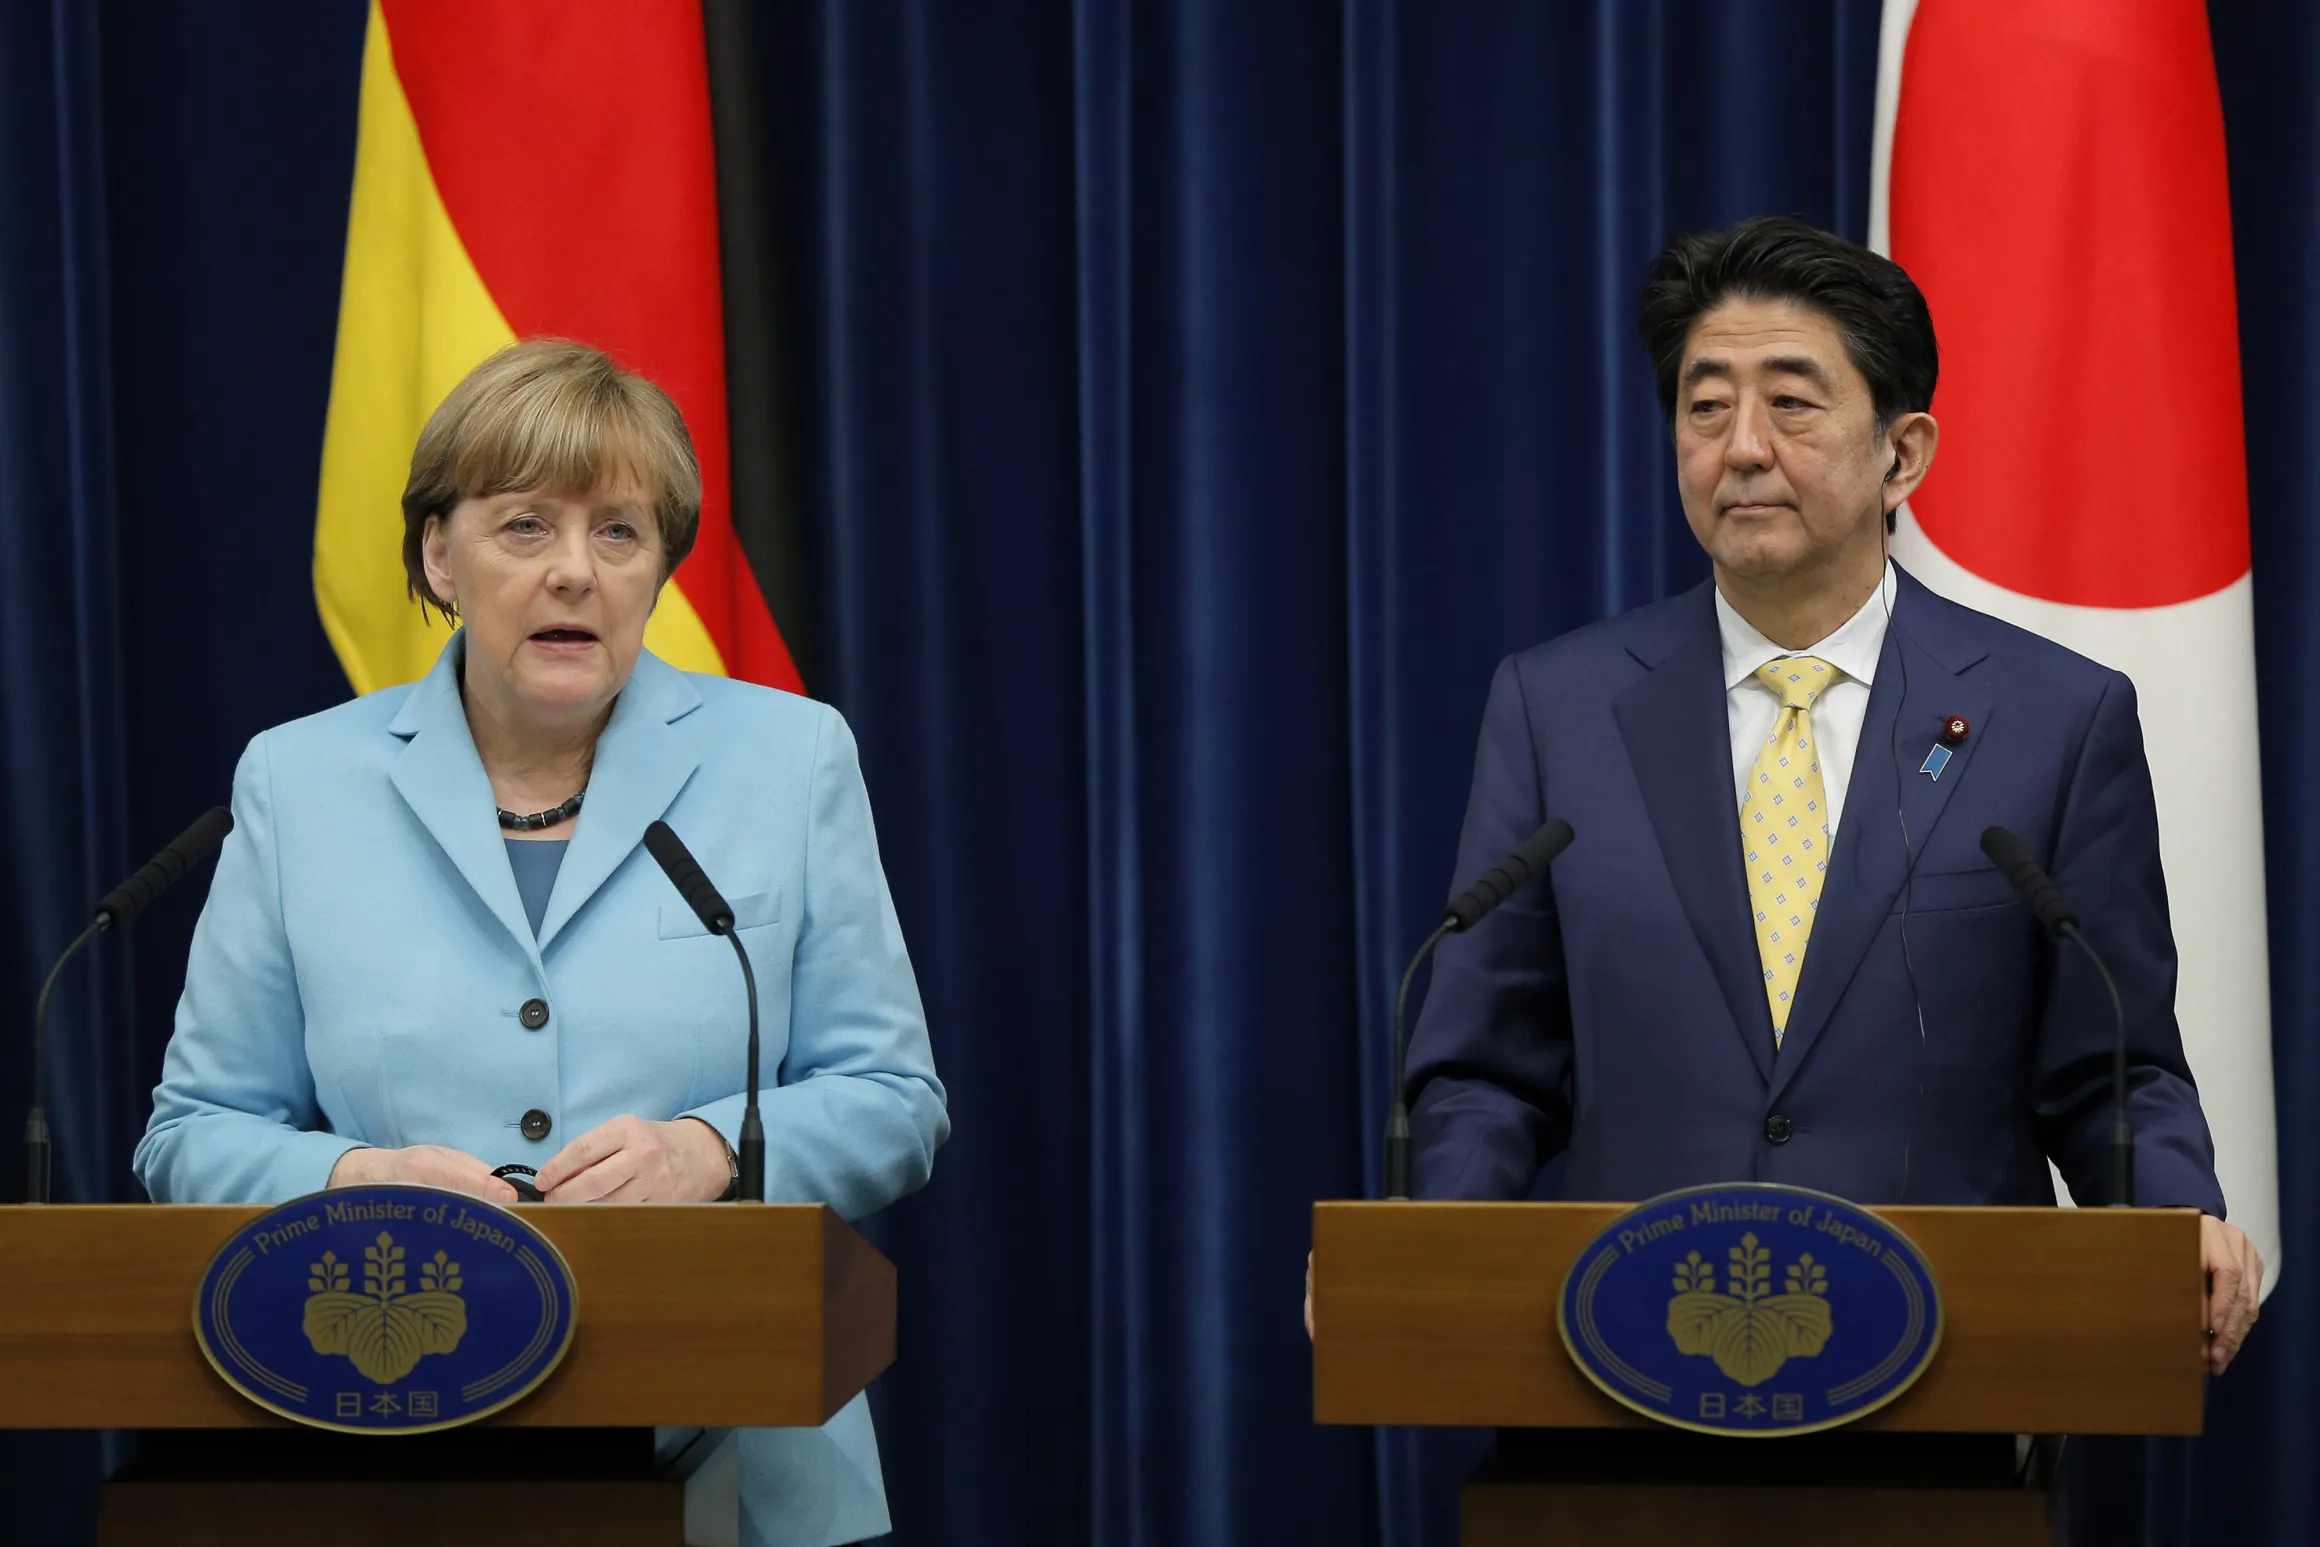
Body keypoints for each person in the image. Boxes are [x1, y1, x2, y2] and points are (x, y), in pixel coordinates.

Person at [1391, 216, 2259, 1371]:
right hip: (1623, 1370)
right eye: (1706, 407)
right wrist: (1429, 1247)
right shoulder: (1558, 707)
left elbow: (2110, 1070)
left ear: (1903, 453)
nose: (1741, 446)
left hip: (1952, 1369)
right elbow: (1483, 1068)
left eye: (1790, 403)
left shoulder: (2054, 717)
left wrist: (2167, 1220)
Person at [135, 338, 947, 1547]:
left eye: (619, 532)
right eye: (525, 527)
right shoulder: (302, 782)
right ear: (437, 555)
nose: (576, 571)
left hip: (736, 1449)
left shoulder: (787, 758)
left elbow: (895, 1098)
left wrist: (707, 1150)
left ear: (661, 567)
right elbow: (193, 1134)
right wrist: (353, 1183)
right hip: (382, 1439)